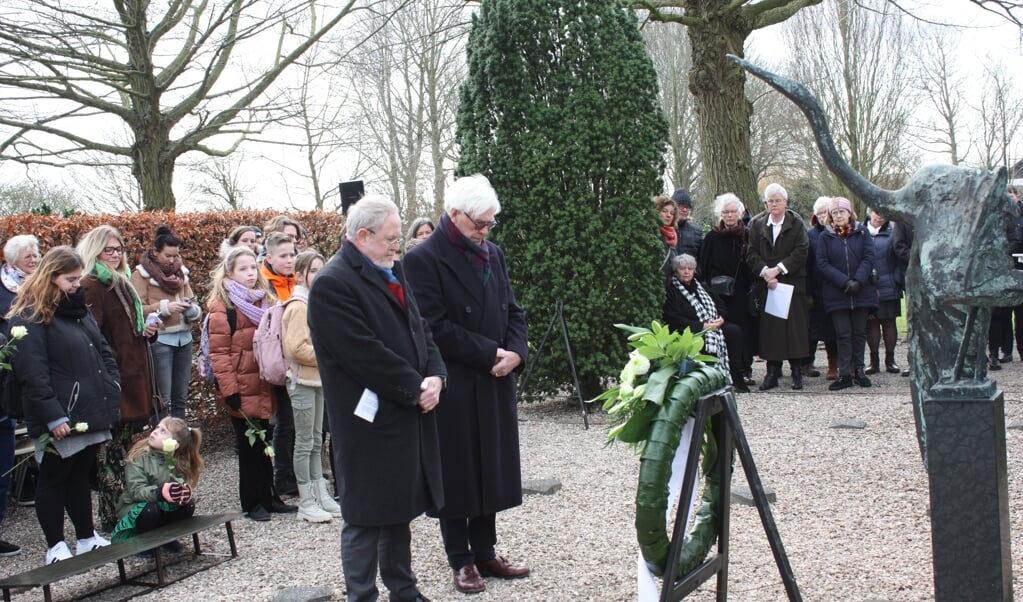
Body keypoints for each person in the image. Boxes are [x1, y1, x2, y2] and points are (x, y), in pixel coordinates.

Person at [309, 195, 446, 602]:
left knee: (398, 507)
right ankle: (362, 595)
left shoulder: (392, 269)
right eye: (390, 238)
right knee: (366, 514)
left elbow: (421, 330)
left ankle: (403, 589)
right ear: (362, 236)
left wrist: (437, 375)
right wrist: (416, 387)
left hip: (402, 411)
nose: (397, 245)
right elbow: (363, 354)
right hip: (367, 422)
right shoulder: (333, 283)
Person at [404, 174, 530, 595]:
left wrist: (515, 352)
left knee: (489, 467)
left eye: (490, 224)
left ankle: (486, 550)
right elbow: (432, 326)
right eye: (479, 223)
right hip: (456, 382)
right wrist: (488, 352)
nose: (485, 231)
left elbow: (513, 308)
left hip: (494, 378)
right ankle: (460, 558)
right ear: (454, 215)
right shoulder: (423, 259)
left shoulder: (493, 253)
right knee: (457, 473)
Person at [7, 246, 120, 563]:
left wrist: (112, 384)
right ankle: (55, 547)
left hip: (88, 408)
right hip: (58, 413)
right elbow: (32, 372)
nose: (77, 285)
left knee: (79, 474)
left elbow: (103, 352)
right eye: (70, 279)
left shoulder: (77, 310)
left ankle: (86, 537)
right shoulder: (31, 314)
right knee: (54, 477)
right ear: (51, 277)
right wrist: (53, 415)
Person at [77, 225, 160, 533]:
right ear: (95, 251)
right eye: (108, 250)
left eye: (119, 249)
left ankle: (141, 516)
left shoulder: (122, 283)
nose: (114, 255)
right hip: (117, 384)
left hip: (137, 377)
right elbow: (93, 337)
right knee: (113, 462)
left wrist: (145, 333)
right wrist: (113, 369)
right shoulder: (93, 285)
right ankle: (117, 523)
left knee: (137, 457)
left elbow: (129, 331)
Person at [208, 246, 294, 521]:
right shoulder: (224, 306)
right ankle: (252, 501)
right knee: (248, 445)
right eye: (242, 269)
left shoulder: (264, 301)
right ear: (230, 272)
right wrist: (230, 389)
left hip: (263, 380)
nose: (249, 274)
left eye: (251, 268)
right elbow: (218, 353)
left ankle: (270, 496)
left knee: (265, 440)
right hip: (241, 384)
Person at [282, 249, 341, 523]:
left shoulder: (315, 302)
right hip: (302, 380)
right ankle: (306, 500)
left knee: (317, 440)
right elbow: (295, 348)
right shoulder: (297, 305)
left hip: (316, 379)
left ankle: (321, 493)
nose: (318, 274)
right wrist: (328, 354)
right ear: (302, 273)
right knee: (305, 442)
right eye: (313, 270)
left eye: (321, 269)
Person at [131, 227, 202, 420]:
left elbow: (193, 301)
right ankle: (162, 440)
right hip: (160, 340)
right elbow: (136, 308)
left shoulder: (181, 273)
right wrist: (164, 307)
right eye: (168, 255)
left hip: (184, 340)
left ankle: (179, 439)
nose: (173, 260)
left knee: (180, 396)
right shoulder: (140, 275)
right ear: (155, 252)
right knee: (163, 397)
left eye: (176, 255)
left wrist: (191, 310)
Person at [746, 183, 810, 390]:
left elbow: (801, 251)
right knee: (771, 332)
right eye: (770, 201)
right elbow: (751, 253)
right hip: (768, 285)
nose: (773, 204)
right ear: (765, 204)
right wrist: (766, 272)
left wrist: (779, 269)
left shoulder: (796, 223)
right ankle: (772, 372)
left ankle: (797, 372)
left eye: (777, 200)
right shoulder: (757, 225)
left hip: (792, 284)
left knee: (794, 330)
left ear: (785, 202)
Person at [111, 417, 203, 556]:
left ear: (174, 444)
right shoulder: (140, 456)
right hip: (136, 506)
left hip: (162, 505)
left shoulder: (176, 460)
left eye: (163, 431)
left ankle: (167, 538)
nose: (154, 432)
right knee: (150, 510)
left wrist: (182, 492)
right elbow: (136, 491)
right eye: (157, 428)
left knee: (188, 505)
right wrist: (159, 492)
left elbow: (181, 483)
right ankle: (144, 543)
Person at [0, 234, 40, 553]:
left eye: (37, 254)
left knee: (3, 464)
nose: (35, 259)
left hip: (18, 385)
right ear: (12, 260)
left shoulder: (44, 286)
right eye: (29, 256)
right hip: (6, 374)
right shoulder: (3, 289)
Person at [816, 197, 878, 390]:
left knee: (859, 333)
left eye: (842, 212)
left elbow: (869, 257)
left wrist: (858, 280)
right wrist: (844, 281)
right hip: (837, 292)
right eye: (834, 213)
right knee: (842, 334)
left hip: (861, 291)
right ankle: (844, 374)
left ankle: (859, 370)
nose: (838, 216)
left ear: (849, 213)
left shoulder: (862, 232)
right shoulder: (825, 237)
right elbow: (823, 263)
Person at [665, 254, 749, 392]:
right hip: (691, 329)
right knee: (704, 337)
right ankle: (711, 380)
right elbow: (674, 318)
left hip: (713, 325)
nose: (686, 272)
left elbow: (721, 305)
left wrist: (721, 318)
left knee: (734, 331)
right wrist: (703, 326)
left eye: (690, 268)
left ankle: (736, 378)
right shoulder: (672, 292)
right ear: (676, 271)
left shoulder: (702, 287)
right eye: (682, 268)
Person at [698, 193, 756, 386]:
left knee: (744, 331)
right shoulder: (712, 237)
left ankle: (744, 369)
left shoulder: (747, 235)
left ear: (740, 213)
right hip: (717, 293)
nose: (729, 216)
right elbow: (704, 266)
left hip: (740, 291)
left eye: (733, 212)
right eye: (725, 212)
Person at [259, 231, 299, 497]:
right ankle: (283, 476)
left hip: (299, 355)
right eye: (283, 256)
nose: (289, 260)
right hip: (278, 359)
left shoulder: (296, 280)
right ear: (270, 257)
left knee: (302, 421)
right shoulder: (264, 285)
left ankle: (300, 472)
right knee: (286, 421)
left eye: (292, 255)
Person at [865, 208, 904, 375]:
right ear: (869, 212)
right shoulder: (861, 231)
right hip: (867, 286)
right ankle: (874, 361)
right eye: (875, 211)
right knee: (871, 322)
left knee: (889, 322)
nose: (879, 215)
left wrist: (896, 280)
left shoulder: (893, 231)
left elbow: (900, 257)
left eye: (882, 212)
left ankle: (891, 359)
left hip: (889, 284)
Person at [806, 197, 839, 380]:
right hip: (817, 289)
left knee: (837, 330)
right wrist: (809, 292)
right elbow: (808, 265)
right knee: (819, 329)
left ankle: (841, 363)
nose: (822, 216)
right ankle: (820, 363)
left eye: (825, 212)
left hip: (836, 288)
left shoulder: (838, 232)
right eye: (818, 213)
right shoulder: (811, 235)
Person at [672, 188, 704, 261]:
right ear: (673, 207)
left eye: (687, 207)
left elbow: (702, 259)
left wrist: (696, 272)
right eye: (681, 206)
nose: (685, 210)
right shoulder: (664, 229)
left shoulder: (697, 231)